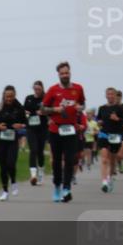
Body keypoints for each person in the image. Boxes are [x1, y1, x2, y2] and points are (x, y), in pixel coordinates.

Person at [41, 61, 85, 202]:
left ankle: (67, 188)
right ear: (58, 75)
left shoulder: (78, 88)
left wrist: (80, 107)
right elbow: (43, 108)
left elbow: (83, 104)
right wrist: (55, 110)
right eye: (62, 73)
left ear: (70, 73)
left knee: (70, 160)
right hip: (55, 129)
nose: (65, 75)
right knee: (57, 161)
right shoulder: (53, 90)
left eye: (67, 72)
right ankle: (57, 187)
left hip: (71, 129)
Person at [0, 86, 26, 201]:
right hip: (1, 140)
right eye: (7, 96)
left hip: (13, 140)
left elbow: (26, 122)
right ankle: (5, 191)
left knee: (11, 163)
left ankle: (13, 182)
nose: (9, 99)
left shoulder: (19, 108)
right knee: (3, 167)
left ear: (15, 96)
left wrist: (20, 126)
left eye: (11, 96)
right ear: (3, 96)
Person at [96, 87, 123, 193]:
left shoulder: (121, 108)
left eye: (112, 94)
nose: (110, 96)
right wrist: (99, 122)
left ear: (115, 96)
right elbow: (98, 119)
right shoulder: (102, 108)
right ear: (106, 95)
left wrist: (117, 119)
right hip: (104, 134)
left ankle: (110, 178)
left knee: (113, 159)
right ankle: (104, 182)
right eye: (108, 94)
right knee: (104, 159)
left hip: (116, 135)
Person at [23, 81, 49, 185]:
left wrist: (44, 112)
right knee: (33, 150)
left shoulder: (46, 98)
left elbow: (50, 110)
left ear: (42, 89)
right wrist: (26, 113)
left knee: (40, 152)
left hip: (42, 128)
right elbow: (24, 111)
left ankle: (41, 173)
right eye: (35, 89)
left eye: (39, 89)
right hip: (31, 128)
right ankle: (33, 175)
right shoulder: (29, 98)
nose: (37, 91)